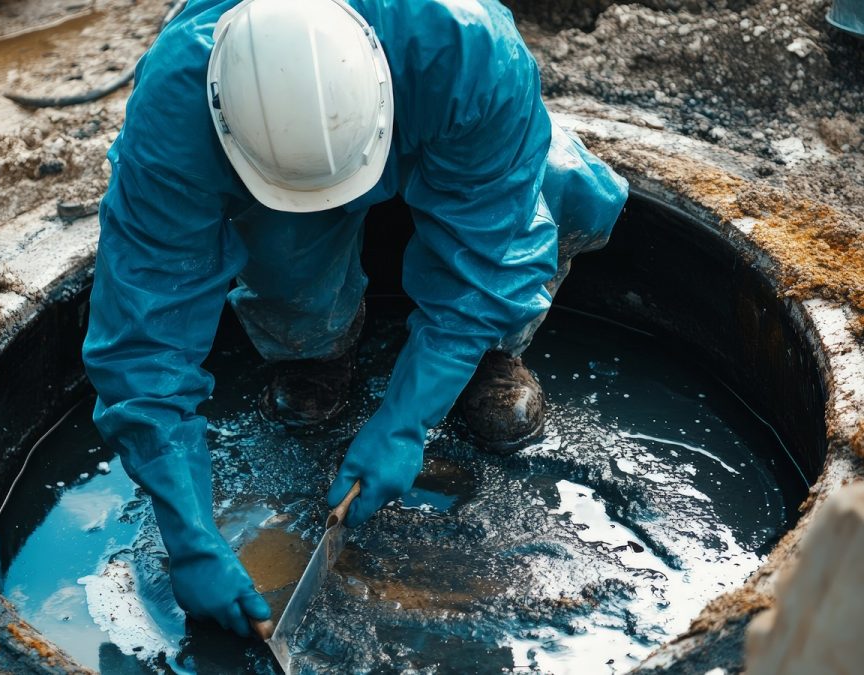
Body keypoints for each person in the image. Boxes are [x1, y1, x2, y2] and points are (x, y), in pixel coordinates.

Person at [83, 0, 628, 638]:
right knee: (284, 258)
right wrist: (188, 532)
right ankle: (317, 347)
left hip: (451, 121)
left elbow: (492, 246)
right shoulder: (178, 108)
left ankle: (480, 355)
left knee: (557, 192)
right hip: (264, 183)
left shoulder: (464, 48)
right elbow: (144, 334)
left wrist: (407, 420)